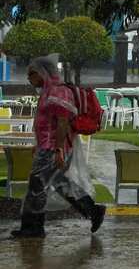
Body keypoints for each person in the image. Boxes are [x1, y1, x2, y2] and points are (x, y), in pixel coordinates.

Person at [10, 56, 106, 239]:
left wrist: (58, 150)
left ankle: (33, 227)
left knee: (37, 185)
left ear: (43, 73)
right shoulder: (48, 91)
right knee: (58, 182)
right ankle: (93, 210)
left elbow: (62, 122)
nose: (29, 78)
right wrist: (38, 144)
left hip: (53, 148)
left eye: (32, 74)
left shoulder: (57, 92)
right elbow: (48, 123)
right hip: (47, 147)